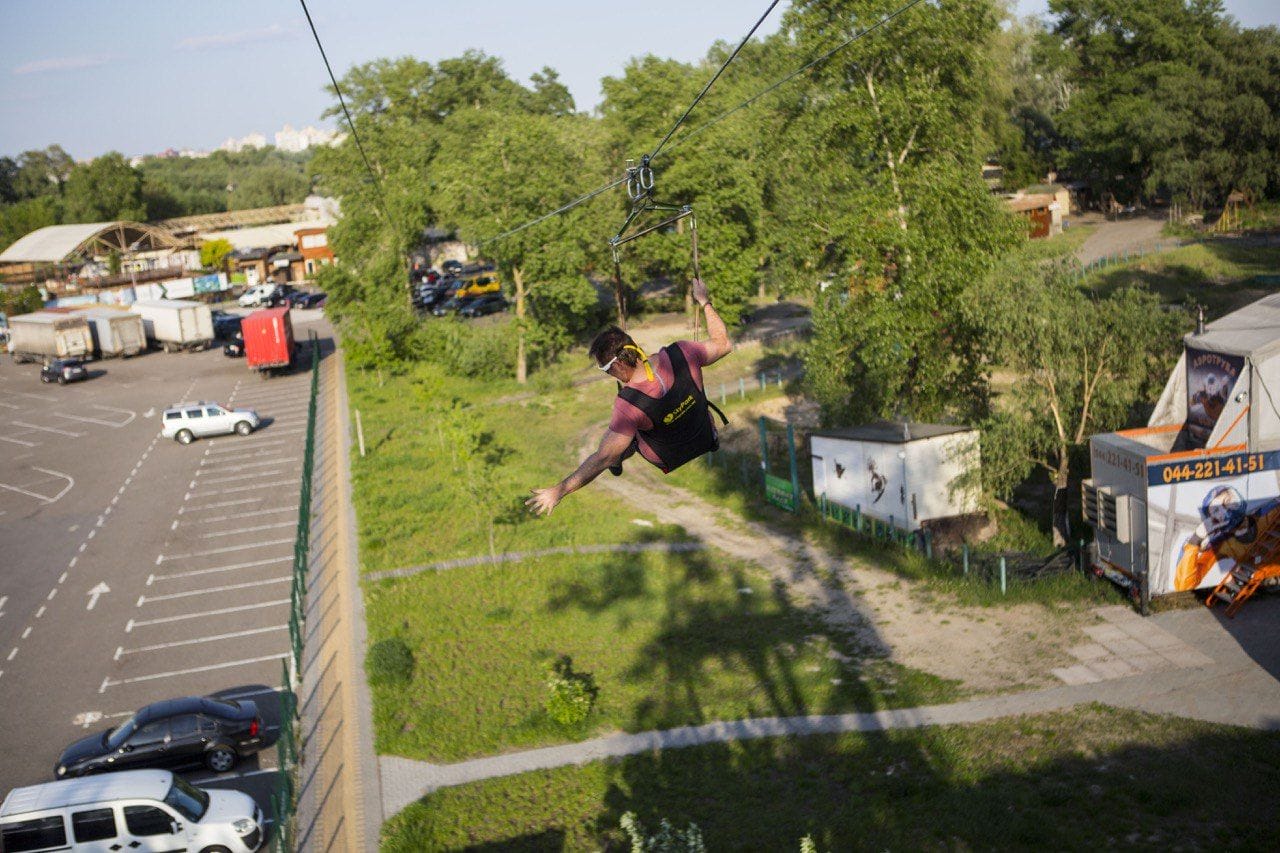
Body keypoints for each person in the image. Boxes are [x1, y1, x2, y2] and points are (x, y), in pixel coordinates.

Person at [526, 278, 732, 516]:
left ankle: (622, 457)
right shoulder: (683, 353)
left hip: (668, 456)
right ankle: (702, 437)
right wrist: (704, 301)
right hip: (704, 435)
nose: (607, 375)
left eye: (605, 370)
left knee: (619, 439)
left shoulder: (629, 405)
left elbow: (602, 458)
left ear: (620, 366)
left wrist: (559, 490)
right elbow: (723, 344)